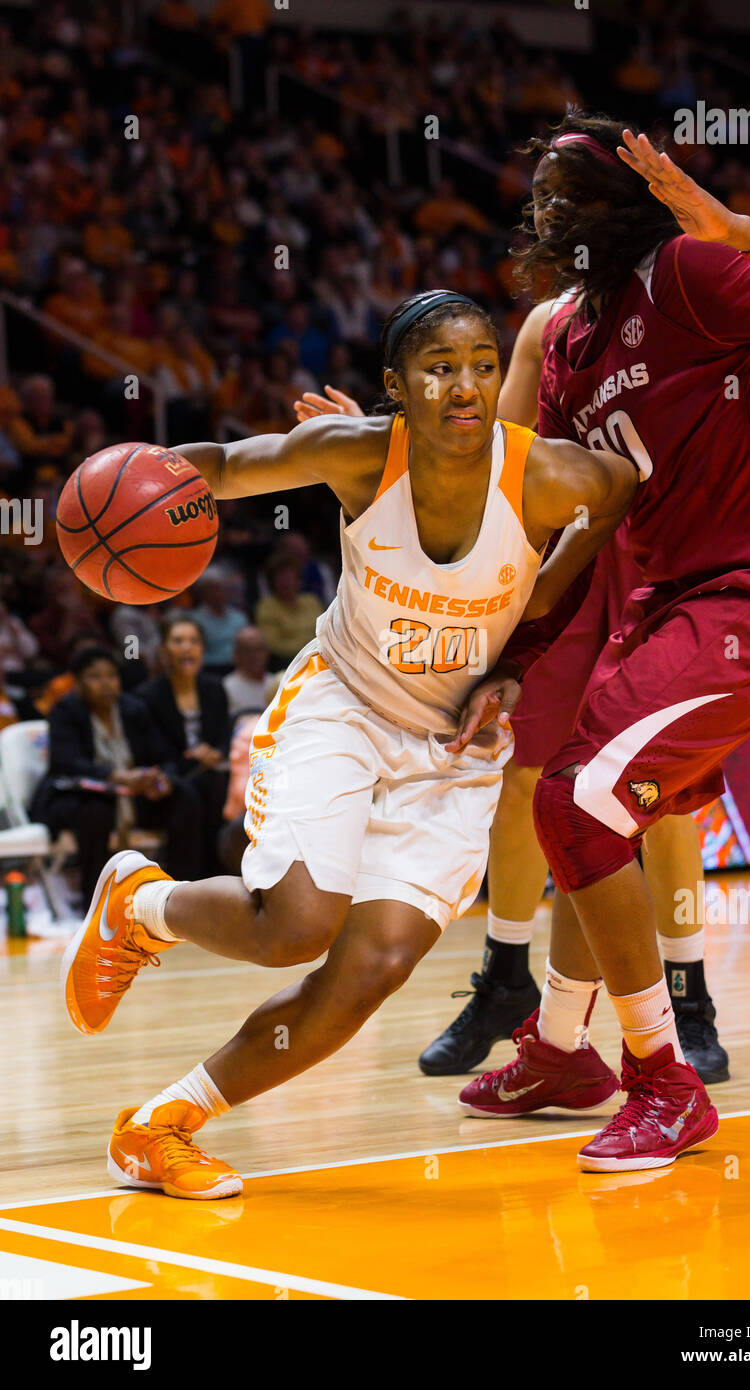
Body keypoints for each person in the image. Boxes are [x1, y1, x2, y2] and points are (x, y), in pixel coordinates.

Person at [60, 290, 637, 1199]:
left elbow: (617, 499)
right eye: (439, 368)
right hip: (344, 705)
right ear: (395, 387)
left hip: (452, 750)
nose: (466, 386)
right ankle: (143, 906)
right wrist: (111, 495)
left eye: (483, 365)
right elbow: (207, 466)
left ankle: (160, 1126)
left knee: (372, 968)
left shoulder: (554, 477)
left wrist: (522, 647)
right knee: (293, 928)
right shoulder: (361, 454)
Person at [447, 120, 750, 1170]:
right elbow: (570, 523)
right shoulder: (569, 344)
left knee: (570, 797)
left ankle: (664, 1079)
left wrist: (737, 230)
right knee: (595, 818)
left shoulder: (685, 273)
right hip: (672, 603)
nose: (545, 209)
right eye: (537, 191)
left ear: (618, 203)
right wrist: (515, 652)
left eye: (567, 190)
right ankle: (555, 1047)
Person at [296, 300, 729, 1084]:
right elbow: (492, 448)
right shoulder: (550, 322)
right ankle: (504, 975)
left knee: (659, 793)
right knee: (526, 769)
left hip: (661, 556)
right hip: (560, 552)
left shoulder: (691, 294)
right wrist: (391, 454)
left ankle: (688, 995)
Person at [28, 646, 193, 902]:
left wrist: (161, 780)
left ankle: (180, 893)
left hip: (134, 794)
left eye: (111, 676)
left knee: (184, 797)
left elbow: (165, 755)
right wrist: (117, 776)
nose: (106, 684)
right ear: (78, 682)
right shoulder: (65, 711)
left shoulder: (133, 709)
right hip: (78, 796)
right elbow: (66, 762)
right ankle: (93, 901)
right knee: (97, 810)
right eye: (95, 677)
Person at [135, 617, 230, 879]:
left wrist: (216, 752)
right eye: (178, 641)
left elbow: (224, 734)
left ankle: (223, 879)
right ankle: (186, 884)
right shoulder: (148, 696)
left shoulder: (215, 688)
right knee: (194, 792)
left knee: (221, 786)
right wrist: (193, 757)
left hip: (209, 777)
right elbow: (153, 751)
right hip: (168, 782)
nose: (187, 648)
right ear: (164, 651)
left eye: (194, 641)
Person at [254, 552, 323, 666]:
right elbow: (274, 645)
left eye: (290, 577)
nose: (286, 582)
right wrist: (309, 647)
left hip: (319, 658)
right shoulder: (266, 607)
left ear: (298, 580)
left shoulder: (311, 601)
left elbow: (324, 631)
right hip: (286, 663)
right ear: (272, 582)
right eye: (281, 578)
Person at [222, 625, 272, 717]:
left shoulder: (276, 684)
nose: (254, 655)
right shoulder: (226, 687)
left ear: (267, 652)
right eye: (247, 650)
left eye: (258, 649)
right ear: (236, 654)